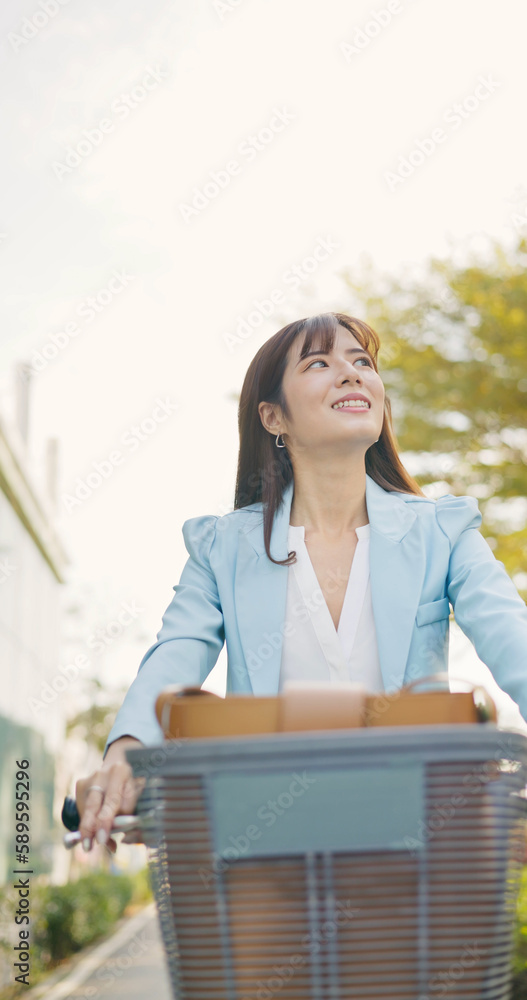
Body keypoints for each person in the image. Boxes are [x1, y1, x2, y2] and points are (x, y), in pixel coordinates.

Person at [76, 312, 527, 853]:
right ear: (273, 417)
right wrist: (125, 754)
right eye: (320, 363)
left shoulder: (443, 531)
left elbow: (510, 633)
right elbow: (177, 650)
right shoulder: (222, 548)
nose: (351, 373)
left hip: (419, 838)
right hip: (265, 840)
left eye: (362, 362)